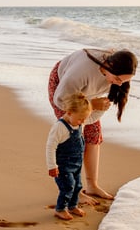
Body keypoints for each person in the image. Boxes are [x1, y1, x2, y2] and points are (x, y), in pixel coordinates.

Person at [48, 48, 138, 204]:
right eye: (117, 79)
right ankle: (73, 191)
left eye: (123, 81)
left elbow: (95, 107)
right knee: (73, 140)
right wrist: (91, 104)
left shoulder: (116, 74)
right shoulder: (82, 71)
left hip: (85, 94)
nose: (120, 84)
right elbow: (61, 100)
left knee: (93, 135)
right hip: (63, 90)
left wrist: (91, 109)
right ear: (108, 66)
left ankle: (92, 185)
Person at [46, 92, 96, 220]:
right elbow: (51, 147)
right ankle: (60, 209)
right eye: (80, 118)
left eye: (84, 118)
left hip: (76, 164)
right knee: (68, 186)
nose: (83, 121)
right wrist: (52, 166)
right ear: (68, 112)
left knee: (78, 186)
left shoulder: (79, 123)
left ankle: (73, 206)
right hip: (63, 165)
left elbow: (91, 121)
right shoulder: (60, 128)